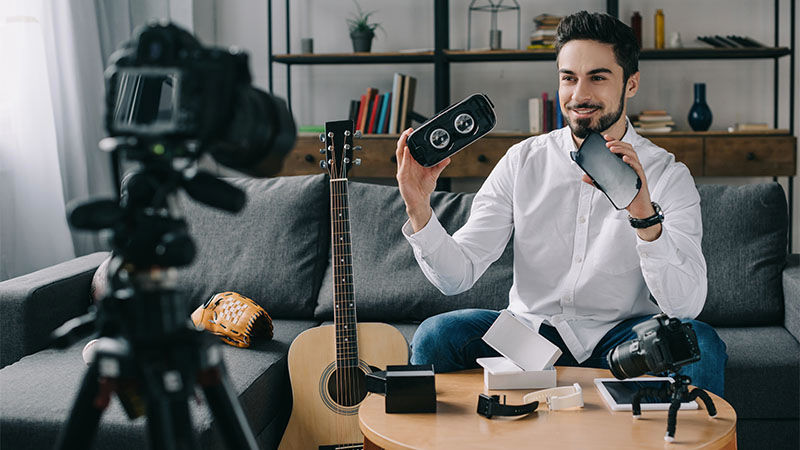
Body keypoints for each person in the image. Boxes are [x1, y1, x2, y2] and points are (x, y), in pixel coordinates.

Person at [394, 11, 727, 396]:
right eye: (569, 78)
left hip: (619, 341)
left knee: (700, 344)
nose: (579, 95)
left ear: (631, 83)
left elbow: (686, 306)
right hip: (528, 335)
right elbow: (458, 275)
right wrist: (419, 207)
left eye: (598, 78)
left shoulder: (668, 175)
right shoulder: (523, 160)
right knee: (438, 335)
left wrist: (643, 216)